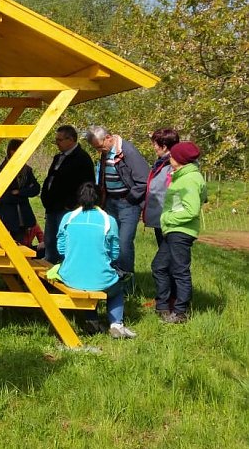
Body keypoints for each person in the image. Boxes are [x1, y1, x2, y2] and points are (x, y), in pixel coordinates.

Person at [56, 182, 137, 339]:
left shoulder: (68, 218)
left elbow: (61, 249)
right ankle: (116, 324)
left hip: (71, 276)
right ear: (101, 199)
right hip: (100, 277)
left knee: (85, 284)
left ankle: (91, 319)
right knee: (116, 288)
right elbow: (114, 253)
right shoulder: (109, 220)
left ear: (78, 198)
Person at [85, 125, 149, 281]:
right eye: (96, 149)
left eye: (100, 147)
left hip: (128, 203)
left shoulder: (128, 152)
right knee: (110, 239)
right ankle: (112, 277)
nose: (99, 151)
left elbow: (143, 180)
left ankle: (127, 280)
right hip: (110, 202)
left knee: (124, 242)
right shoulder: (106, 152)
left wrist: (130, 199)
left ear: (108, 137)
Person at [152, 142, 206, 324]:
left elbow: (192, 210)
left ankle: (180, 312)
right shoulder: (182, 176)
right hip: (174, 229)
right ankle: (163, 306)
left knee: (179, 270)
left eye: (172, 156)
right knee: (159, 266)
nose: (170, 158)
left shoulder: (189, 179)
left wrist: (168, 220)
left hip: (180, 230)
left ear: (180, 160)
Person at [40, 125, 95, 264]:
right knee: (50, 242)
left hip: (67, 209)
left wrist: (72, 205)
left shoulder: (82, 159)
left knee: (64, 243)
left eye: (59, 140)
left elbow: (87, 185)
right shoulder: (58, 157)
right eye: (56, 140)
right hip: (52, 207)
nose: (57, 143)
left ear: (70, 139)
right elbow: (51, 178)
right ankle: (48, 274)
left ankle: (65, 272)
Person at [0, 139, 40, 242]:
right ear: (11, 151)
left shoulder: (27, 170)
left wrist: (20, 192)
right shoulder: (3, 169)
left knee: (21, 245)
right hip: (6, 214)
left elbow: (36, 189)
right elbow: (5, 194)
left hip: (22, 215)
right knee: (2, 243)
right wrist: (21, 194)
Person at [143, 128, 180, 245]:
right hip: (161, 216)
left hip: (170, 218)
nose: (154, 147)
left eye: (155, 144)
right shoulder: (161, 162)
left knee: (168, 257)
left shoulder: (175, 164)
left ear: (164, 147)